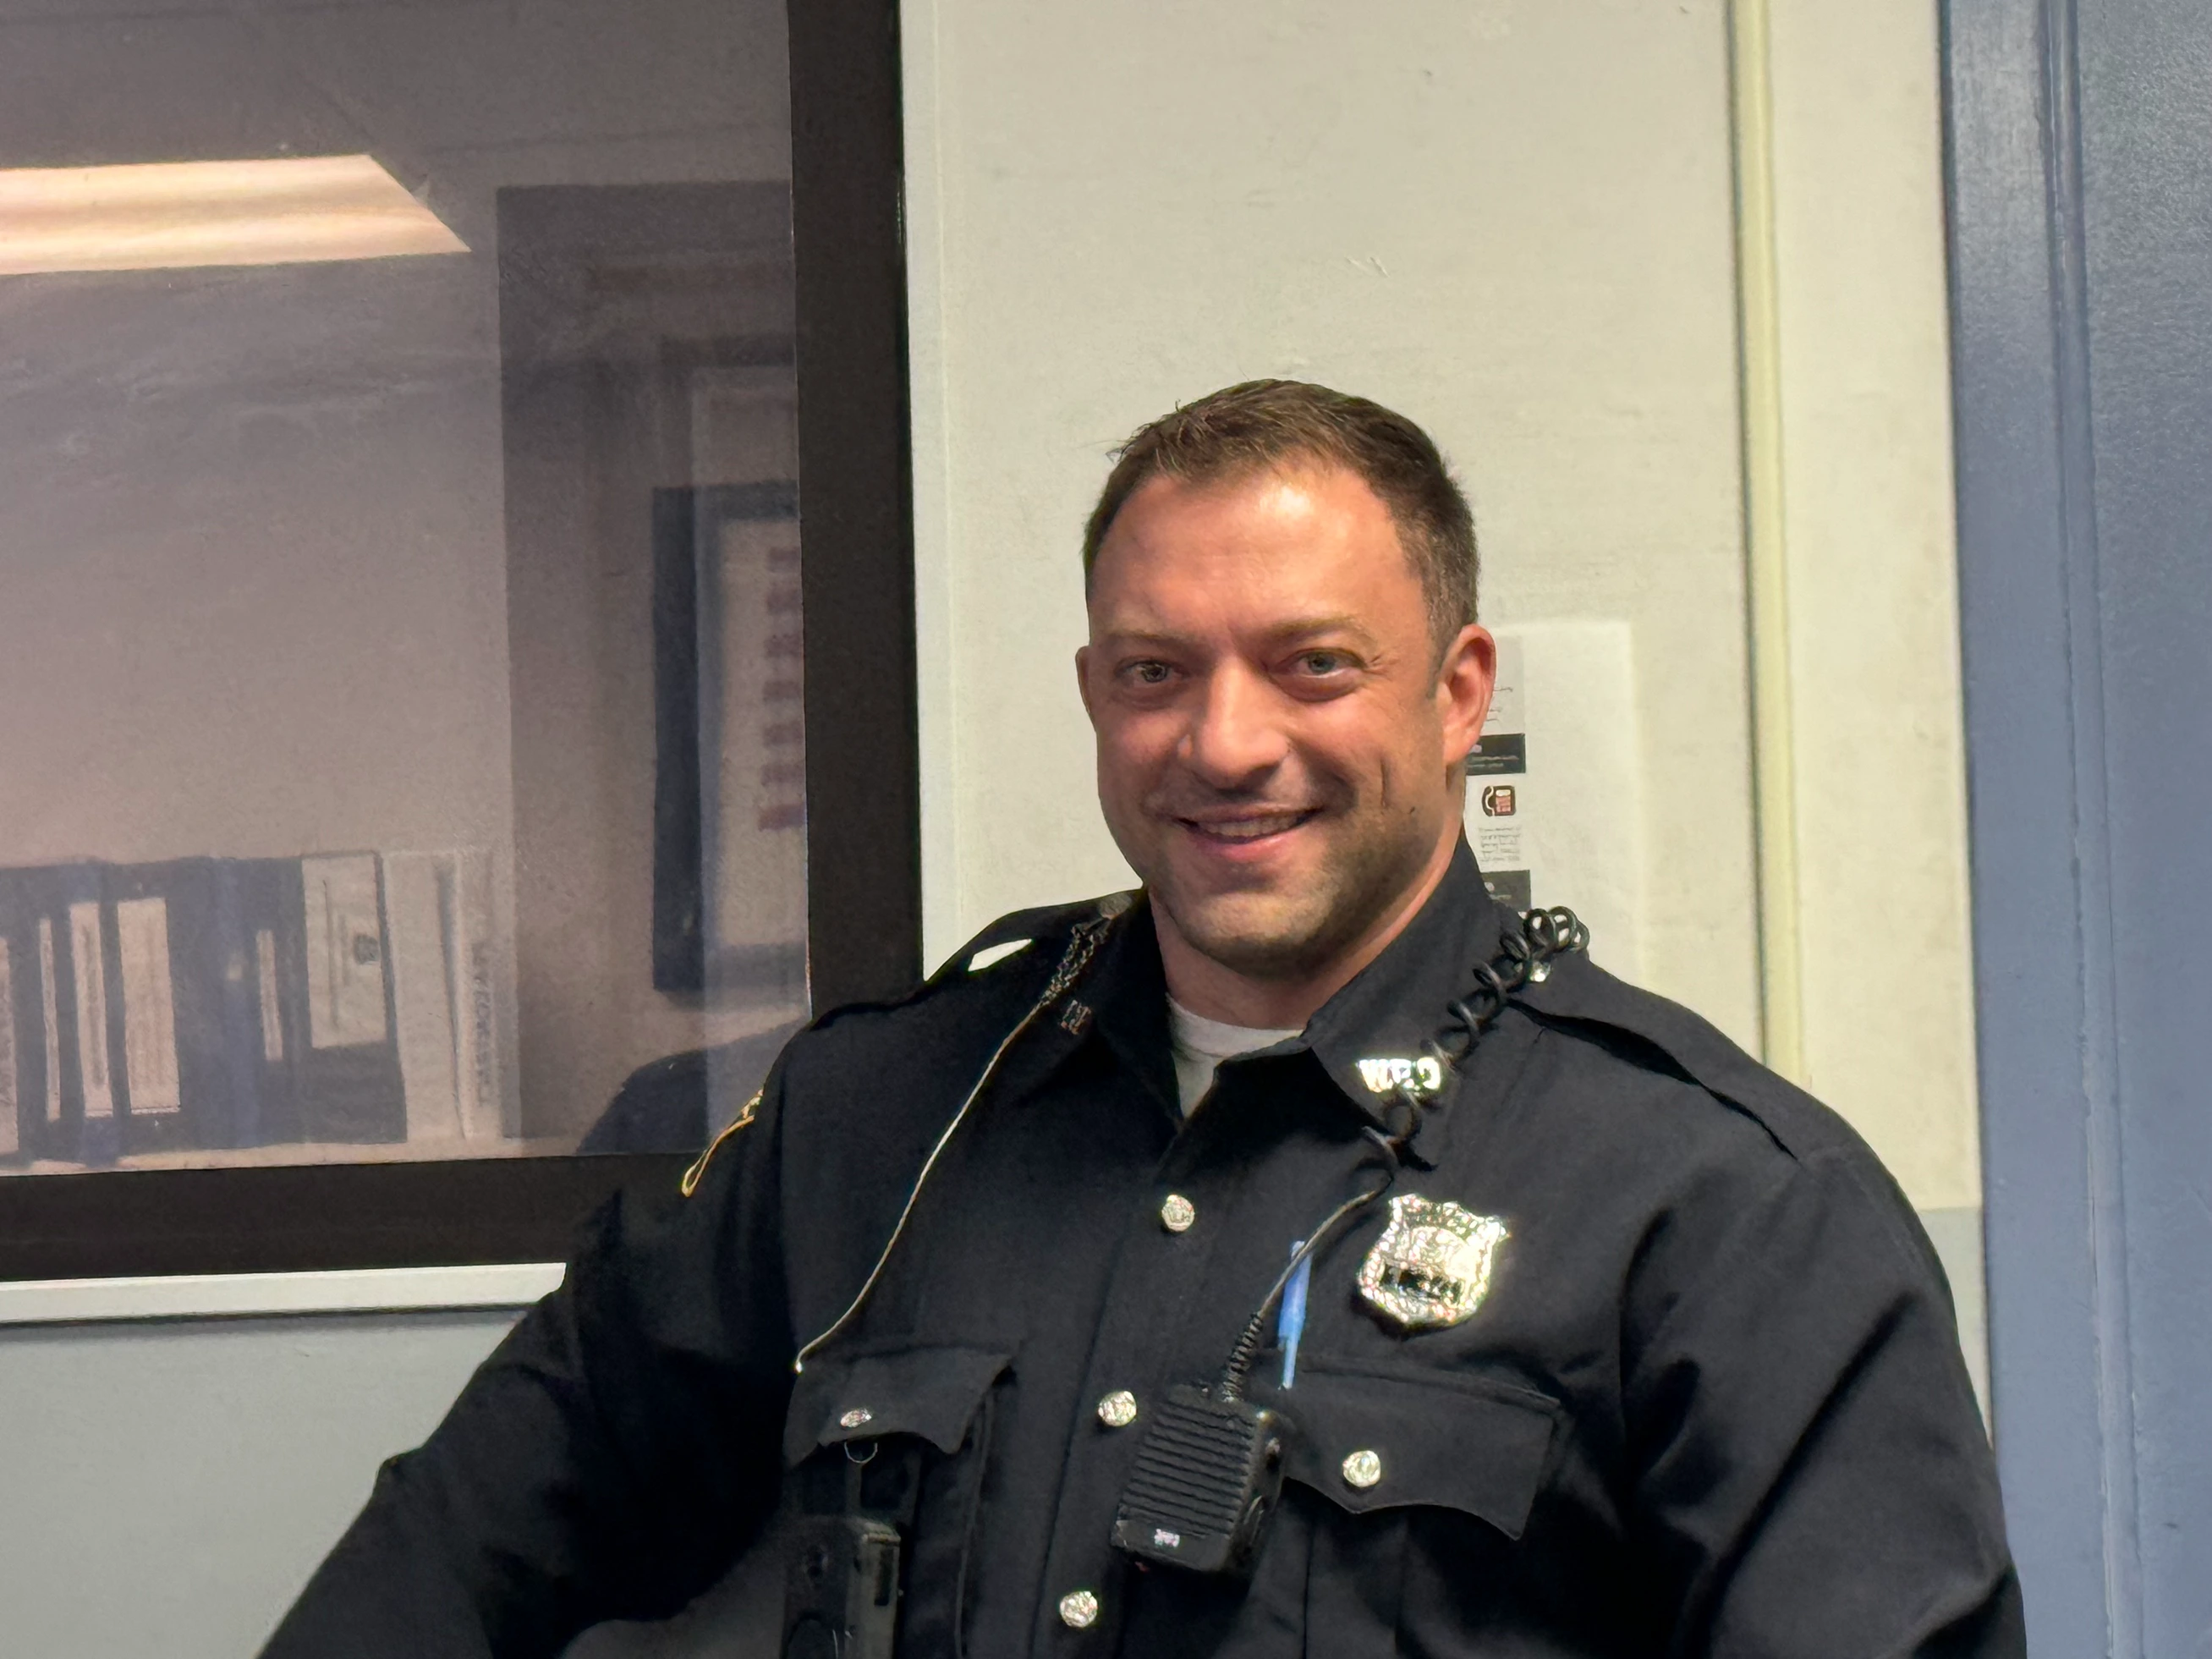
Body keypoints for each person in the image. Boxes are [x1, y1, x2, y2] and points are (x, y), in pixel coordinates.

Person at [266, 381, 2022, 1657]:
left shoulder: (1717, 1206)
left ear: (1455, 691)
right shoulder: (876, 1124)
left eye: (1310, 663)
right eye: (1152, 670)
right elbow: (473, 1530)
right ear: (1095, 692)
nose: (1224, 740)